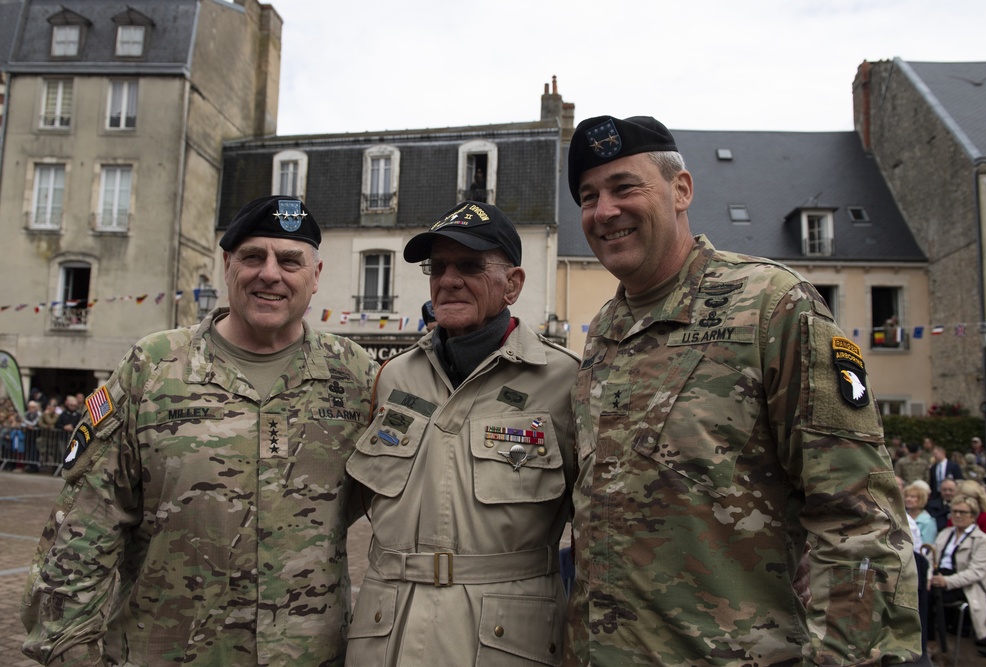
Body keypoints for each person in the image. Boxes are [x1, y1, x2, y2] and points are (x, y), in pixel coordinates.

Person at [564, 114, 921, 665]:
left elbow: (859, 517)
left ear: (681, 190)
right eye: (588, 196)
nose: (604, 211)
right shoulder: (604, 334)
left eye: (624, 187)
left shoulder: (773, 305)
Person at [21, 195, 379, 666]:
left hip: (308, 655)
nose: (270, 273)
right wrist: (68, 649)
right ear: (227, 264)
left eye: (290, 260)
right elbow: (86, 524)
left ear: (315, 277)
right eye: (253, 256)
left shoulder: (355, 376)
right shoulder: (152, 367)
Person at [344, 201, 579, 665]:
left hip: (505, 641)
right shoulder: (392, 377)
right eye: (438, 266)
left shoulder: (564, 381)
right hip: (387, 634)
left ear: (512, 284)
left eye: (470, 265)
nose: (448, 279)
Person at [930, 494, 986, 643]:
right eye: (954, 511)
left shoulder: (982, 540)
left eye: (962, 512)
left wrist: (946, 581)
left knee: (930, 596)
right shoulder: (945, 533)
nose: (957, 515)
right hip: (938, 577)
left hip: (966, 586)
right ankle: (927, 641)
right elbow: (930, 558)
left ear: (973, 516)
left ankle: (936, 643)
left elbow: (976, 572)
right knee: (921, 591)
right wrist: (929, 577)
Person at [905, 481, 938, 546]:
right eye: (907, 496)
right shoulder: (901, 516)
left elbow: (926, 545)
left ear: (921, 499)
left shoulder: (928, 522)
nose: (908, 499)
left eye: (912, 497)